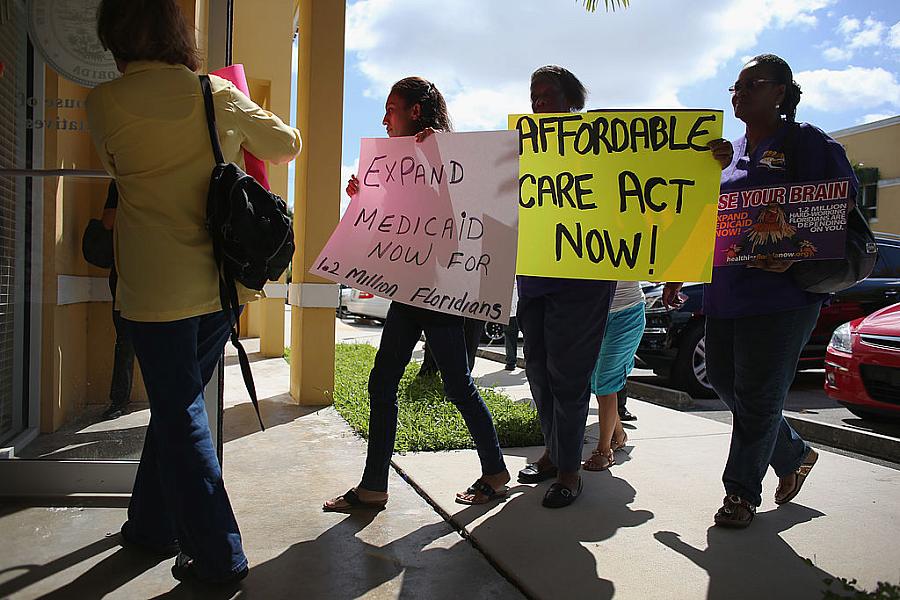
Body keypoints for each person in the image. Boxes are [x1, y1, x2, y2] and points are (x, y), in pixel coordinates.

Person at [87, 0, 302, 584]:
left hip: (150, 287)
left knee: (175, 406)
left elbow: (116, 169)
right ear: (176, 34)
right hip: (218, 284)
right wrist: (237, 114)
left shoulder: (102, 103)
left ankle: (216, 554)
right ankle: (156, 526)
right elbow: (287, 145)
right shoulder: (214, 94)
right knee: (178, 406)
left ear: (115, 38)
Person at [663, 54, 857, 529]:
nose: (739, 94)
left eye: (752, 84)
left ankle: (740, 493)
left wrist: (798, 248)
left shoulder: (805, 142)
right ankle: (794, 455)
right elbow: (703, 218)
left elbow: (840, 200)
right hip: (726, 292)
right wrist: (676, 270)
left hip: (783, 297)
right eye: (735, 86)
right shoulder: (723, 155)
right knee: (725, 381)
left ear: (781, 92)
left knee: (758, 394)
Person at [324, 77, 510, 512]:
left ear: (416, 112)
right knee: (384, 382)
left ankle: (495, 471)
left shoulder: (442, 149)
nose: (384, 118)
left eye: (391, 108)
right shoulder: (403, 161)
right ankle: (374, 486)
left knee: (456, 384)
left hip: (439, 292)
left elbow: (464, 198)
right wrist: (364, 196)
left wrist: (438, 148)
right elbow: (396, 216)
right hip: (411, 290)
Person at [514, 66, 617, 509]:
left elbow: (650, 182)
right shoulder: (522, 148)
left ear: (572, 99)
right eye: (533, 95)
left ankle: (570, 471)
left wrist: (703, 161)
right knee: (537, 371)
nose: (539, 102)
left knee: (568, 377)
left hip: (583, 282)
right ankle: (555, 453)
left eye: (548, 94)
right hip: (534, 279)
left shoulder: (603, 144)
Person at [582, 280, 645, 471]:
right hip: (593, 312)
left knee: (605, 382)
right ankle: (618, 435)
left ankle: (604, 450)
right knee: (596, 381)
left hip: (627, 310)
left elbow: (656, 274)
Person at [99, 183, 135, 421]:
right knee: (126, 337)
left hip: (138, 267)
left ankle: (120, 401)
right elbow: (108, 221)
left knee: (126, 338)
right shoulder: (122, 180)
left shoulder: (123, 179)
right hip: (134, 268)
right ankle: (120, 400)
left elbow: (108, 221)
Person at [503, 283, 519, 371]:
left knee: (509, 335)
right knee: (509, 335)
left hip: (512, 308)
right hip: (511, 309)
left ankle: (511, 362)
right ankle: (510, 362)